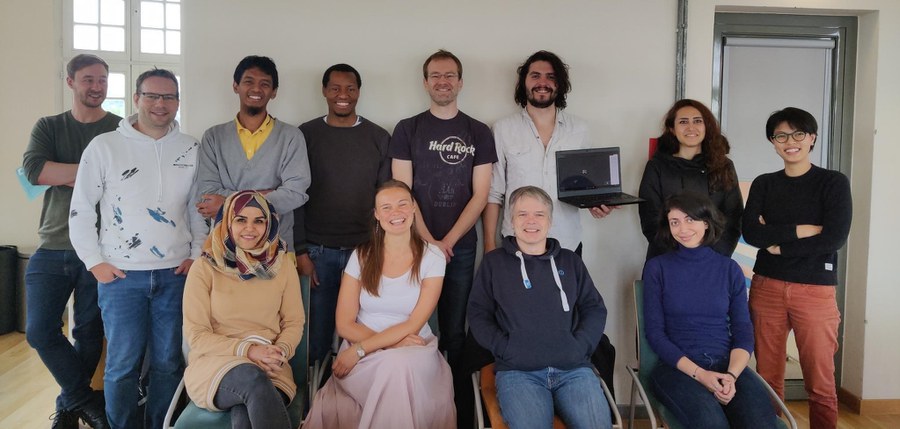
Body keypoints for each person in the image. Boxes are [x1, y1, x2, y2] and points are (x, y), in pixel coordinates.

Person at [69, 68, 207, 429]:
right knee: (121, 365)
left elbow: (196, 208)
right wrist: (94, 261)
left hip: (175, 274)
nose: (160, 104)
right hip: (121, 277)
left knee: (168, 363)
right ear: (136, 99)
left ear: (178, 102)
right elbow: (81, 208)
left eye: (169, 97)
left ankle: (160, 424)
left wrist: (196, 253)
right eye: (152, 96)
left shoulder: (191, 148)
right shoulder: (104, 146)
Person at [389, 49, 497, 426]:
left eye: (450, 75)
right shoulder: (407, 129)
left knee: (453, 332)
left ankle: (457, 412)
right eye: (435, 75)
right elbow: (402, 193)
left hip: (460, 250)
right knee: (418, 329)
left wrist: (447, 241)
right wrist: (429, 241)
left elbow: (481, 195)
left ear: (460, 82)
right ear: (425, 83)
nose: (443, 81)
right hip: (413, 248)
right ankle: (421, 410)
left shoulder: (478, 132)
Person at [303, 180, 455, 429]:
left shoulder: (432, 256)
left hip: (413, 351)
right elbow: (344, 324)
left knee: (398, 365)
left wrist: (361, 349)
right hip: (363, 352)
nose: (396, 212)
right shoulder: (362, 256)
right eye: (386, 207)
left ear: (414, 208)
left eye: (402, 204)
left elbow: (414, 324)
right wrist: (390, 344)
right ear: (376, 215)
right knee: (394, 365)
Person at [22, 54, 118, 429]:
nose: (96, 86)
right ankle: (82, 400)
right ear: (71, 82)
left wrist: (66, 173)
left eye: (102, 80)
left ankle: (67, 407)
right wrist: (95, 173)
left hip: (103, 248)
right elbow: (35, 171)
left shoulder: (119, 129)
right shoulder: (49, 126)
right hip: (53, 243)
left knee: (90, 332)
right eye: (88, 79)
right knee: (39, 330)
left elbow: (124, 178)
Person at [742, 107, 852, 429]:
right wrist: (803, 229)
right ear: (773, 142)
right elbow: (752, 233)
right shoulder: (764, 184)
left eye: (798, 134)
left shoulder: (832, 182)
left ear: (812, 137)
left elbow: (833, 238)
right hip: (767, 287)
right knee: (767, 380)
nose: (790, 142)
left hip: (815, 290)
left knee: (820, 382)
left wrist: (780, 245)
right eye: (781, 136)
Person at [468, 186, 611, 429]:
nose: (531, 221)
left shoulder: (571, 261)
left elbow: (594, 308)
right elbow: (478, 313)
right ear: (511, 220)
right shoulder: (494, 263)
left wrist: (579, 346)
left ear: (550, 221)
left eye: (539, 214)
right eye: (522, 214)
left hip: (573, 370)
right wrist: (505, 348)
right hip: (518, 372)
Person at [642, 192, 778, 428]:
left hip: (727, 366)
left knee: (761, 422)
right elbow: (655, 335)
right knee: (712, 423)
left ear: (706, 222)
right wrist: (701, 374)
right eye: (675, 222)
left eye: (690, 219)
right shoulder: (657, 268)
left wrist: (731, 376)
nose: (682, 229)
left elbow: (743, 332)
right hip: (677, 369)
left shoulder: (729, 269)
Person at [295, 63, 391, 366]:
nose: (343, 95)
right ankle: (316, 393)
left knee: (361, 335)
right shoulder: (305, 134)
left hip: (364, 252)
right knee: (316, 337)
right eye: (335, 88)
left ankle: (353, 392)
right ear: (324, 91)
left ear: (358, 92)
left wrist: (381, 250)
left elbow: (385, 198)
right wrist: (300, 251)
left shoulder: (378, 136)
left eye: (350, 88)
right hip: (317, 252)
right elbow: (295, 196)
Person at [183, 191, 304, 429]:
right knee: (252, 379)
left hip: (271, 365)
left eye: (259, 221)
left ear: (269, 225)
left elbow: (293, 322)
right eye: (241, 220)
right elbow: (197, 336)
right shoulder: (204, 267)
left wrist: (278, 352)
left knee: (246, 410)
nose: (250, 228)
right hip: (215, 364)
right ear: (227, 222)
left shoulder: (282, 266)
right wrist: (249, 351)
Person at [484, 50, 613, 256]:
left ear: (559, 84)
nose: (542, 82)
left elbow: (583, 186)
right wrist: (489, 244)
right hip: (516, 241)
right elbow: (494, 193)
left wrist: (595, 205)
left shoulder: (579, 130)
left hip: (567, 243)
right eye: (535, 75)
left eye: (551, 77)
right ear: (523, 82)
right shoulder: (503, 129)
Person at [195, 55, 311, 252]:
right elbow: (207, 195)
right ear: (235, 86)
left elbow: (295, 193)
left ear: (274, 92)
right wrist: (266, 195)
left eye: (265, 84)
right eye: (249, 81)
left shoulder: (291, 137)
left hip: (276, 248)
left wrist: (226, 203)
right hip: (226, 248)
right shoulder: (214, 137)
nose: (256, 89)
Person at [638, 99, 743, 260]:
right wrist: (678, 259)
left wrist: (713, 257)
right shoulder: (657, 166)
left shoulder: (724, 166)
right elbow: (651, 219)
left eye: (698, 121)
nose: (691, 127)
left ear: (706, 127)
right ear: (672, 129)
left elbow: (733, 217)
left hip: (714, 260)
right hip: (666, 259)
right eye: (683, 122)